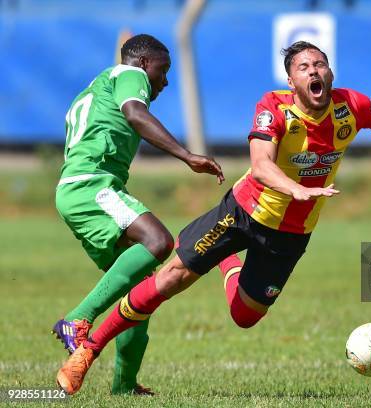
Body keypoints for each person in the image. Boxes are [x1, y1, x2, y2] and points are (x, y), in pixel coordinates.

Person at [56, 40, 371, 395]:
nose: (315, 70)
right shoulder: (273, 108)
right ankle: (87, 351)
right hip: (241, 213)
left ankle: (229, 263)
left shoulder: (352, 106)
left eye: (320, 63)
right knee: (169, 277)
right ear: (291, 81)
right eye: (304, 66)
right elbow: (260, 165)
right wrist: (296, 188)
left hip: (292, 234)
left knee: (245, 317)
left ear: (329, 73)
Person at [52, 34, 224, 395]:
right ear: (144, 63)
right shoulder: (130, 76)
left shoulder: (99, 86)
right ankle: (78, 319)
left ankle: (124, 388)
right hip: (92, 186)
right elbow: (135, 113)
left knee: (140, 292)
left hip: (81, 188)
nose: (164, 81)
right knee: (159, 241)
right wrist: (187, 155)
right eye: (163, 71)